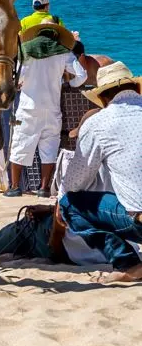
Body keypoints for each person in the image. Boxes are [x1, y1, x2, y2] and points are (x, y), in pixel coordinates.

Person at [58, 62, 142, 283]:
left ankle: (128, 264)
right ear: (137, 89)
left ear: (103, 99)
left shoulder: (100, 122)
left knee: (70, 203)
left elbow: (75, 182)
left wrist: (59, 204)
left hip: (138, 220)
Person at [5, 21, 87, 198]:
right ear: (55, 34)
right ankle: (43, 188)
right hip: (52, 108)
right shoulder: (63, 51)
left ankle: (14, 187)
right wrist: (67, 83)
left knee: (19, 145)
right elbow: (82, 76)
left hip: (28, 108)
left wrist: (20, 85)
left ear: (37, 33)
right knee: (49, 149)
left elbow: (19, 77)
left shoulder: (26, 49)